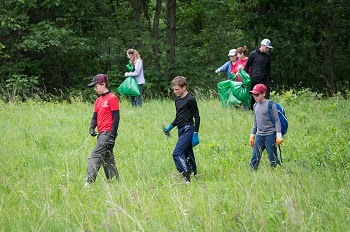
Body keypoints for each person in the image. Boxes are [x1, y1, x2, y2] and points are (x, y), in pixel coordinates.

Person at [163, 76, 200, 183]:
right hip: (180, 129)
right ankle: (195, 173)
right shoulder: (177, 100)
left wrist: (195, 133)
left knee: (177, 153)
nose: (174, 92)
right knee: (187, 152)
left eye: (177, 89)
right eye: (173, 89)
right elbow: (179, 116)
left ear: (184, 87)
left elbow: (197, 116)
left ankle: (186, 176)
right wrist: (170, 127)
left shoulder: (191, 99)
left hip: (189, 129)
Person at [85, 74, 120, 187]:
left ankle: (89, 182)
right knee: (107, 158)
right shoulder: (98, 100)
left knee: (94, 156)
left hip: (108, 133)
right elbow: (95, 117)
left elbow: (116, 118)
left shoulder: (112, 98)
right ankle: (114, 182)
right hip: (101, 134)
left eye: (96, 86)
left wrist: (112, 137)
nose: (95, 89)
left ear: (103, 84)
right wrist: (91, 127)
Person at [249, 84, 283, 170]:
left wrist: (278, 134)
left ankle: (277, 171)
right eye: (253, 94)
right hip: (259, 135)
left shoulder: (271, 105)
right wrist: (252, 135)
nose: (255, 97)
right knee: (255, 157)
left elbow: (277, 120)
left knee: (272, 156)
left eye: (257, 94)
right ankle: (252, 172)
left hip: (270, 135)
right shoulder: (255, 106)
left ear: (263, 94)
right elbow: (255, 122)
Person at [244, 39, 273, 110]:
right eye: (267, 48)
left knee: (266, 94)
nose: (268, 49)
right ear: (262, 46)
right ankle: (253, 110)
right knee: (254, 95)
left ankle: (265, 109)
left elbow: (268, 69)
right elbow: (247, 66)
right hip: (255, 79)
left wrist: (271, 80)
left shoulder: (268, 56)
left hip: (265, 79)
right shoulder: (253, 54)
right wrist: (245, 78)